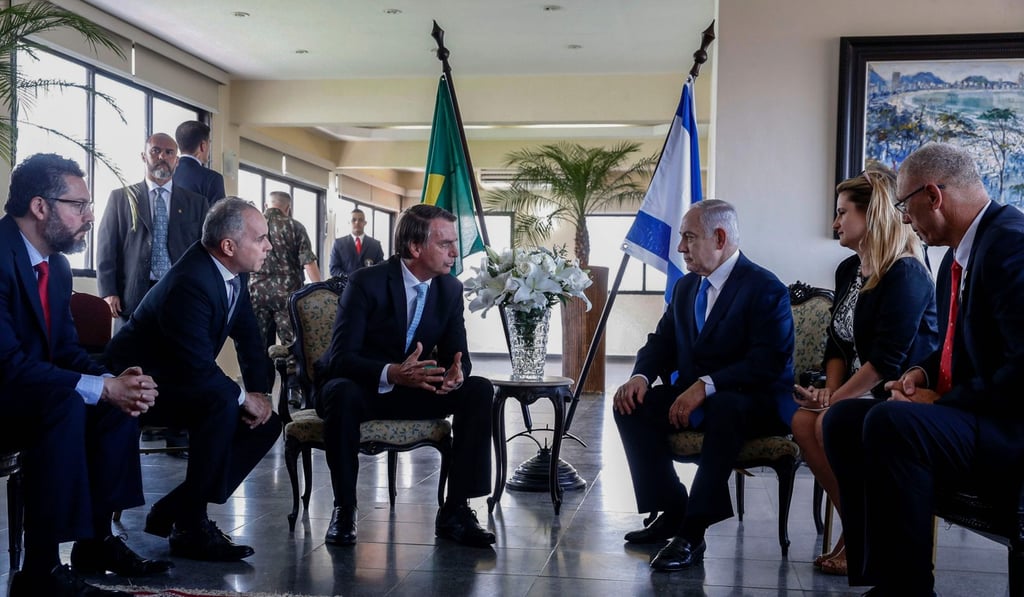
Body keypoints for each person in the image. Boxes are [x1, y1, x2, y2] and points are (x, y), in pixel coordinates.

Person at [824, 142, 1024, 596]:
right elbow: (960, 346)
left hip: (1006, 427)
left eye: (904, 204)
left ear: (932, 195)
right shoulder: (957, 256)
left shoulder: (1011, 245)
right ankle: (882, 574)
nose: (904, 217)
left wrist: (944, 399)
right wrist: (922, 374)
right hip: (973, 415)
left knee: (892, 421)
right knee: (841, 420)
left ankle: (908, 587)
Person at [0, 153, 172, 596]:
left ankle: (95, 543)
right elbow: (8, 364)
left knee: (112, 404)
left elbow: (66, 352)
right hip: (5, 391)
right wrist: (99, 386)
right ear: (41, 207)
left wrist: (115, 381)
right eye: (78, 205)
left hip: (29, 390)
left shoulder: (54, 266)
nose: (89, 216)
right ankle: (39, 572)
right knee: (67, 404)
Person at [613, 199, 795, 572]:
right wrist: (640, 376)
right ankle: (672, 507)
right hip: (699, 398)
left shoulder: (765, 287)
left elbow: (768, 362)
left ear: (720, 237)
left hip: (753, 400)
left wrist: (706, 385)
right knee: (630, 405)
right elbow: (661, 342)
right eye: (682, 238)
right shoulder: (684, 288)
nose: (681, 248)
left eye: (689, 237)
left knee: (727, 408)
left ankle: (692, 533)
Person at [104, 197, 280, 562]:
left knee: (267, 423)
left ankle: (177, 509)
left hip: (179, 377)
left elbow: (249, 337)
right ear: (229, 246)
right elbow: (197, 366)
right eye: (261, 238)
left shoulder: (233, 272)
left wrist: (260, 393)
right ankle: (191, 525)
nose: (269, 245)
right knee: (219, 403)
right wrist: (242, 397)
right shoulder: (191, 281)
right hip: (135, 384)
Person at [315, 204, 494, 548]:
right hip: (364, 386)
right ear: (415, 248)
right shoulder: (366, 282)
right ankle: (344, 509)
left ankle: (456, 510)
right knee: (340, 393)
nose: (455, 252)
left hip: (414, 388)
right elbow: (341, 358)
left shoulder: (450, 289)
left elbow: (459, 357)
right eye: (445, 244)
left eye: (453, 243)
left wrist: (457, 374)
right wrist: (393, 373)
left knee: (478, 390)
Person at [791, 164, 938, 577]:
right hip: (855, 389)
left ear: (871, 214)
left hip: (895, 390)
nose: (835, 222)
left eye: (842, 212)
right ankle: (860, 529)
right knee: (804, 422)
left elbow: (888, 361)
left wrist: (836, 400)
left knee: (827, 422)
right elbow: (838, 343)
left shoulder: (906, 272)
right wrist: (828, 392)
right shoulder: (848, 270)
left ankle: (860, 538)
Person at [96, 132, 209, 326]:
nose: (162, 157)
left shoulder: (196, 204)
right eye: (155, 151)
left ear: (177, 160)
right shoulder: (121, 198)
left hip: (180, 295)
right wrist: (108, 291)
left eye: (169, 152)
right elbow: (106, 248)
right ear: (143, 156)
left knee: (175, 355)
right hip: (131, 297)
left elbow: (204, 252)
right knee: (131, 355)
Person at [249, 191, 322, 387]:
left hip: (256, 293)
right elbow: (308, 263)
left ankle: (261, 390)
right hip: (287, 296)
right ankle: (293, 390)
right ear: (288, 208)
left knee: (259, 345)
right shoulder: (295, 226)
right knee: (291, 345)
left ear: (266, 205)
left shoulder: (253, 225)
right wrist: (322, 291)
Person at [173, 120, 226, 203]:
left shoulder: (166, 175)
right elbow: (219, 215)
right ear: (203, 145)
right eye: (209, 143)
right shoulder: (212, 178)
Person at [329, 208, 384, 277]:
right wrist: (349, 278)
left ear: (365, 223)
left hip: (369, 286)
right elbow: (333, 269)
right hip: (346, 286)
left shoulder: (375, 245)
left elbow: (381, 269)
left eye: (360, 220)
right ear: (349, 222)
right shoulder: (338, 244)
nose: (357, 222)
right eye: (354, 220)